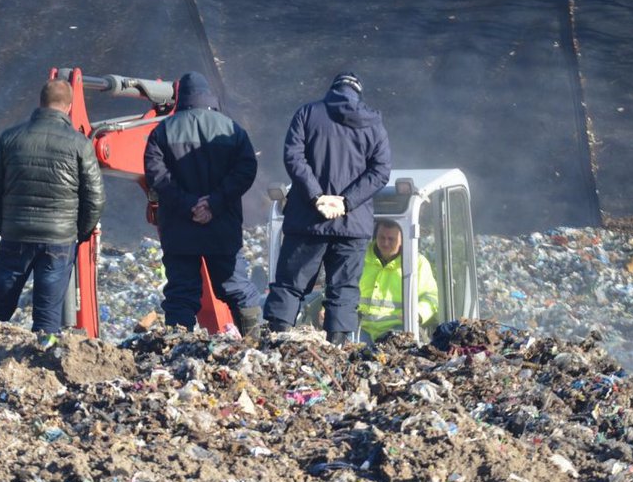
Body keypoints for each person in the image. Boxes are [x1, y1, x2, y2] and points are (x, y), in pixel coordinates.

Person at [263, 72, 391, 345]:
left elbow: (293, 156)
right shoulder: (373, 124)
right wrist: (346, 202)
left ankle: (276, 342)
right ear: (358, 93)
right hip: (352, 225)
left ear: (332, 89)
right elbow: (380, 171)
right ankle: (338, 347)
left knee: (289, 284)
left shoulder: (307, 114)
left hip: (308, 220)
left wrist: (317, 197)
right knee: (343, 289)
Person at [143, 71, 263, 337]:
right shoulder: (233, 130)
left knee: (181, 293)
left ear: (181, 99)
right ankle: (253, 344)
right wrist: (214, 203)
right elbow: (246, 170)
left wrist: (189, 205)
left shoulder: (161, 131)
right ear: (209, 96)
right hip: (222, 227)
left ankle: (177, 349)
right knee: (236, 286)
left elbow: (157, 176)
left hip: (179, 228)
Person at [0, 78, 104, 333]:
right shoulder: (80, 144)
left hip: (16, 235)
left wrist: (2, 226)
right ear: (69, 107)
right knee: (47, 316)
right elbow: (95, 197)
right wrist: (76, 233)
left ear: (40, 102)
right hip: (59, 241)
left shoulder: (9, 138)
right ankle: (42, 364)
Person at [359, 219, 439, 342]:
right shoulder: (359, 258)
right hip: (361, 329)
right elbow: (341, 286)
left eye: (391, 239)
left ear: (402, 240)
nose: (385, 243)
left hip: (399, 330)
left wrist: (417, 313)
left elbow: (431, 296)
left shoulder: (416, 263)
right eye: (382, 237)